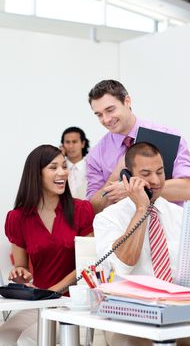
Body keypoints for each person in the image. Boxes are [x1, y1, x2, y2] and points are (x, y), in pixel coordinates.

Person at [94, 142, 190, 346]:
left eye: (160, 171)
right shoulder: (108, 218)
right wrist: (142, 208)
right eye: (146, 173)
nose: (156, 180)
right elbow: (125, 262)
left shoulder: (183, 215)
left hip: (181, 315)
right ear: (127, 177)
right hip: (131, 319)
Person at [0, 144, 94, 346]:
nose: (62, 173)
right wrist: (20, 274)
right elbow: (21, 266)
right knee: (4, 337)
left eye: (64, 166)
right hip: (40, 302)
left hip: (74, 303)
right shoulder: (17, 218)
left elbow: (89, 265)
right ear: (36, 174)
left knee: (28, 340)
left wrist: (54, 291)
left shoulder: (82, 210)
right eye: (53, 167)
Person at [86, 79, 190, 214]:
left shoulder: (167, 136)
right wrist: (116, 174)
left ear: (127, 101)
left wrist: (132, 190)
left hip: (167, 228)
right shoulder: (96, 154)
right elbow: (92, 209)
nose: (106, 119)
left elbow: (189, 189)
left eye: (110, 110)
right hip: (123, 230)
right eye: (99, 115)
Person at [60, 126, 90, 199]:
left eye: (74, 142)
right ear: (62, 145)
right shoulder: (58, 168)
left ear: (83, 143)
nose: (71, 146)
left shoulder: (92, 166)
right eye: (67, 142)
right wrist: (59, 157)